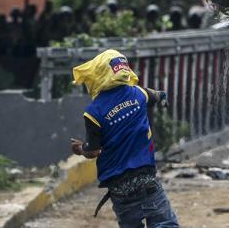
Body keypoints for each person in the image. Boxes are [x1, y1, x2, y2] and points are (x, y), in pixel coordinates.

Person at [71, 49, 180, 227]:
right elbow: (160, 95)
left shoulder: (93, 112)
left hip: (119, 189)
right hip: (146, 182)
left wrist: (80, 148)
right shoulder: (138, 94)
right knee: (165, 223)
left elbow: (93, 151)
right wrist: (162, 101)